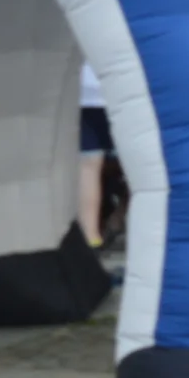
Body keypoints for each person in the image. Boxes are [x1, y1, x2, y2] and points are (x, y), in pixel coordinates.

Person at [77, 60, 110, 247]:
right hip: (132, 86)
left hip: (85, 87)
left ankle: (90, 240)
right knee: (144, 168)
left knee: (88, 164)